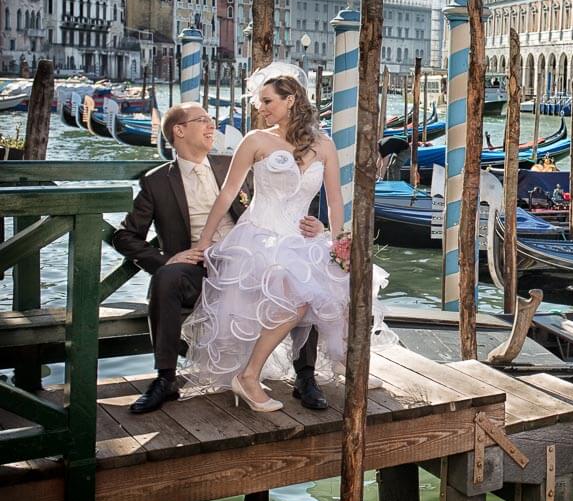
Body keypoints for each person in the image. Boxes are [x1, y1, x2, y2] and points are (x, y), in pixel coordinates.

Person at [180, 63, 393, 412]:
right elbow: (227, 193)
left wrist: (334, 237)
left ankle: (342, 361)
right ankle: (249, 376)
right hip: (259, 239)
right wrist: (204, 242)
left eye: (267, 101)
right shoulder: (255, 141)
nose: (260, 109)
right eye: (259, 102)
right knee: (298, 293)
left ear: (291, 100)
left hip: (302, 240)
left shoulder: (324, 145)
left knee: (343, 281)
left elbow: (335, 198)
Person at [112, 100, 328, 414]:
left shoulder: (232, 164)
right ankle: (165, 379)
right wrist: (165, 259)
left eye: (212, 119)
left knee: (301, 272)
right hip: (199, 268)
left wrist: (318, 226)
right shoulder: (157, 182)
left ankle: (305, 376)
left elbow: (286, 196)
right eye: (203, 120)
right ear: (180, 130)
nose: (212, 125)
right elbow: (124, 235)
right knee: (166, 278)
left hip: (253, 259)